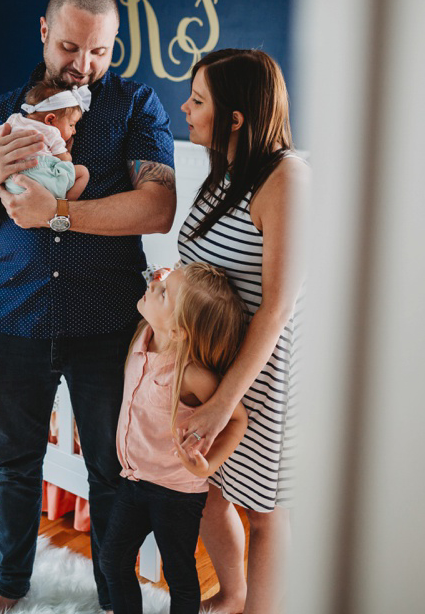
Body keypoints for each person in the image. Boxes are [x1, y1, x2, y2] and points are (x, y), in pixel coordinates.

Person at [0, 0, 177, 614]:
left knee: (112, 473)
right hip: (14, 314)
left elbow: (157, 206)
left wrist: (58, 214)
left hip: (107, 318)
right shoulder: (1, 115)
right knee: (15, 463)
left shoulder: (136, 106)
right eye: (72, 48)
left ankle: (114, 596)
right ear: (45, 32)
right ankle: (8, 583)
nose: (85, 66)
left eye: (101, 51)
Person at [174, 48, 308, 614]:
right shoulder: (222, 171)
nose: (185, 108)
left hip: (261, 375)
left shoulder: (286, 178)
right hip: (212, 366)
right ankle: (233, 595)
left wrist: (224, 403)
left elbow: (275, 309)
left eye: (198, 101)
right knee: (206, 488)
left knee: (266, 510)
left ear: (236, 117)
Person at [100, 262, 249, 614]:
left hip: (176, 494)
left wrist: (207, 465)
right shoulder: (141, 336)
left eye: (164, 291)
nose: (154, 284)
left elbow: (237, 419)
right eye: (162, 282)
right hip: (134, 481)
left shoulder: (192, 375)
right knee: (112, 560)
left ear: (180, 332)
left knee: (179, 576)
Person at [0, 74, 91, 200]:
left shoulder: (15, 119)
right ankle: (64, 205)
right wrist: (67, 151)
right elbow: (64, 160)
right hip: (44, 179)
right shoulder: (52, 132)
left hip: (13, 183)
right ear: (50, 119)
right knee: (83, 172)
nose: (74, 131)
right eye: (71, 125)